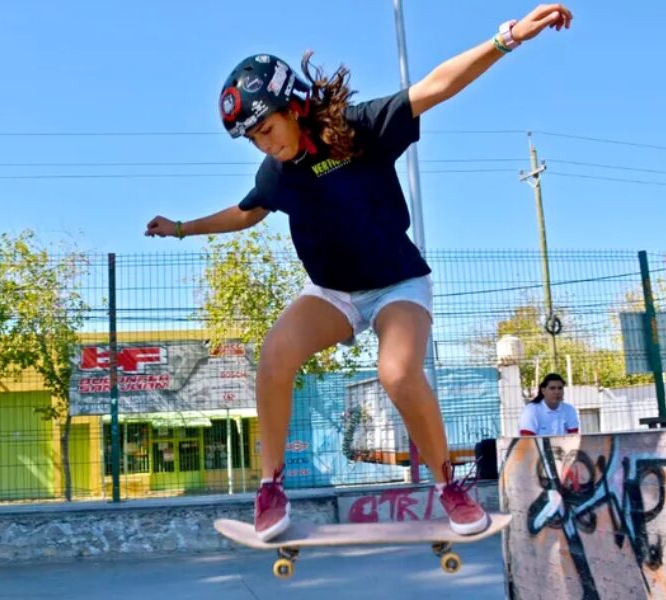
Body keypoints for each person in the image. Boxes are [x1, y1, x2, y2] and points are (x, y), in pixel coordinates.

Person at [146, 4, 573, 541]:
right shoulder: (275, 174)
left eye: (268, 128)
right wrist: (182, 228)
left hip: (398, 283)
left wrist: (506, 39)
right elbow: (246, 212)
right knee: (276, 354)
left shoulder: (360, 127)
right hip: (333, 294)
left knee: (397, 372)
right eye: (253, 139)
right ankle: (271, 486)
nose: (266, 143)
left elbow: (436, 86)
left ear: (293, 106)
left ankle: (449, 486)